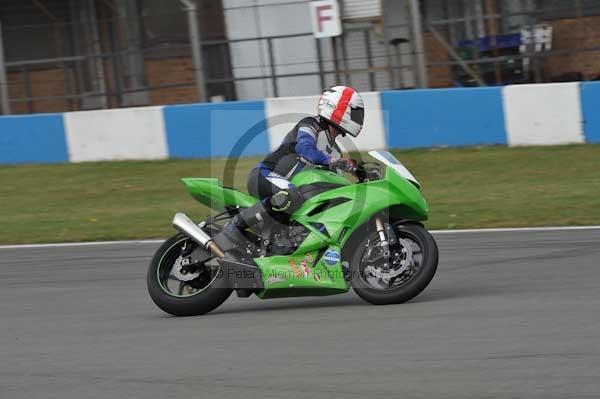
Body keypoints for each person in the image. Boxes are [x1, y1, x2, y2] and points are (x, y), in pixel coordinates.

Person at [214, 86, 365, 251]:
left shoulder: (335, 150)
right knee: (291, 195)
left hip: (290, 192)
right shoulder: (310, 124)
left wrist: (358, 179)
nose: (359, 118)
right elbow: (305, 149)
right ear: (337, 107)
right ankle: (234, 226)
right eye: (355, 113)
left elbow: (333, 185)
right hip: (266, 174)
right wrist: (333, 161)